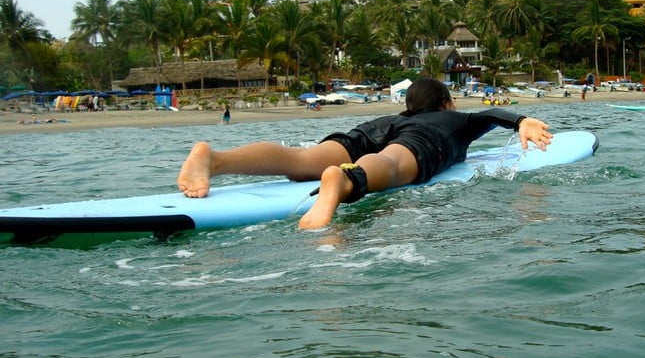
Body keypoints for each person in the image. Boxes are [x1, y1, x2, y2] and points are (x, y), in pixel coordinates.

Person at [177, 77, 553, 230]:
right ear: (445, 101)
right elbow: (491, 113)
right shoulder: (455, 118)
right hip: (422, 139)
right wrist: (521, 120)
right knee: (390, 164)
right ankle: (345, 178)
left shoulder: (394, 116)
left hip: (373, 129)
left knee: (304, 158)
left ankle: (217, 159)